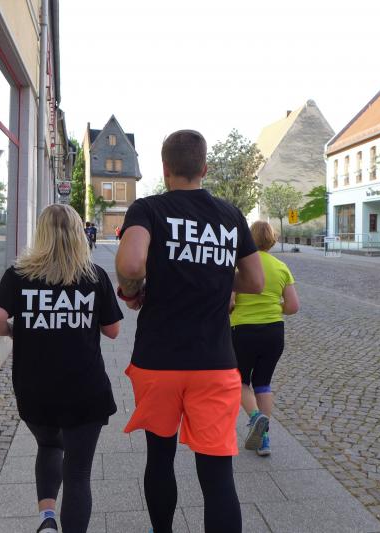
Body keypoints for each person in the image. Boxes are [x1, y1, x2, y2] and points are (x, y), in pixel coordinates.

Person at [115, 129, 264, 533]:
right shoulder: (231, 215)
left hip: (158, 360)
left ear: (165, 168)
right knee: (217, 474)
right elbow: (255, 281)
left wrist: (134, 291)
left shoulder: (148, 209)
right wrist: (218, 280)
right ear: (204, 168)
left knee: (159, 459)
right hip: (214, 363)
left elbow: (131, 265)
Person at [0, 204, 123, 533]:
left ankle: (47, 520)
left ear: (42, 235)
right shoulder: (94, 276)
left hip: (35, 389)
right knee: (78, 473)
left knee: (48, 445)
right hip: (85, 390)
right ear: (78, 235)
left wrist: (14, 330)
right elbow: (113, 330)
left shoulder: (19, 276)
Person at [229, 221, 299, 456]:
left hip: (243, 330)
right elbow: (293, 306)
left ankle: (256, 417)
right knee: (263, 383)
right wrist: (275, 307)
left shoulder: (240, 267)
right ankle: (264, 440)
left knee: (239, 380)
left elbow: (229, 303)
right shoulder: (281, 267)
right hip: (274, 332)